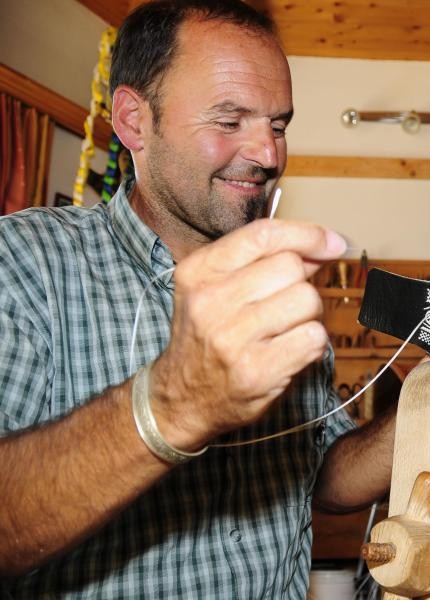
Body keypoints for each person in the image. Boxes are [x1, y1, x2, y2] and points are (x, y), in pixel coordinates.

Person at [0, 1, 396, 596]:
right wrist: (177, 404)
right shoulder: (26, 264)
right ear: (134, 121)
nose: (269, 154)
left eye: (279, 124)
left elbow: (321, 472)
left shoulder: (279, 284)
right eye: (230, 120)